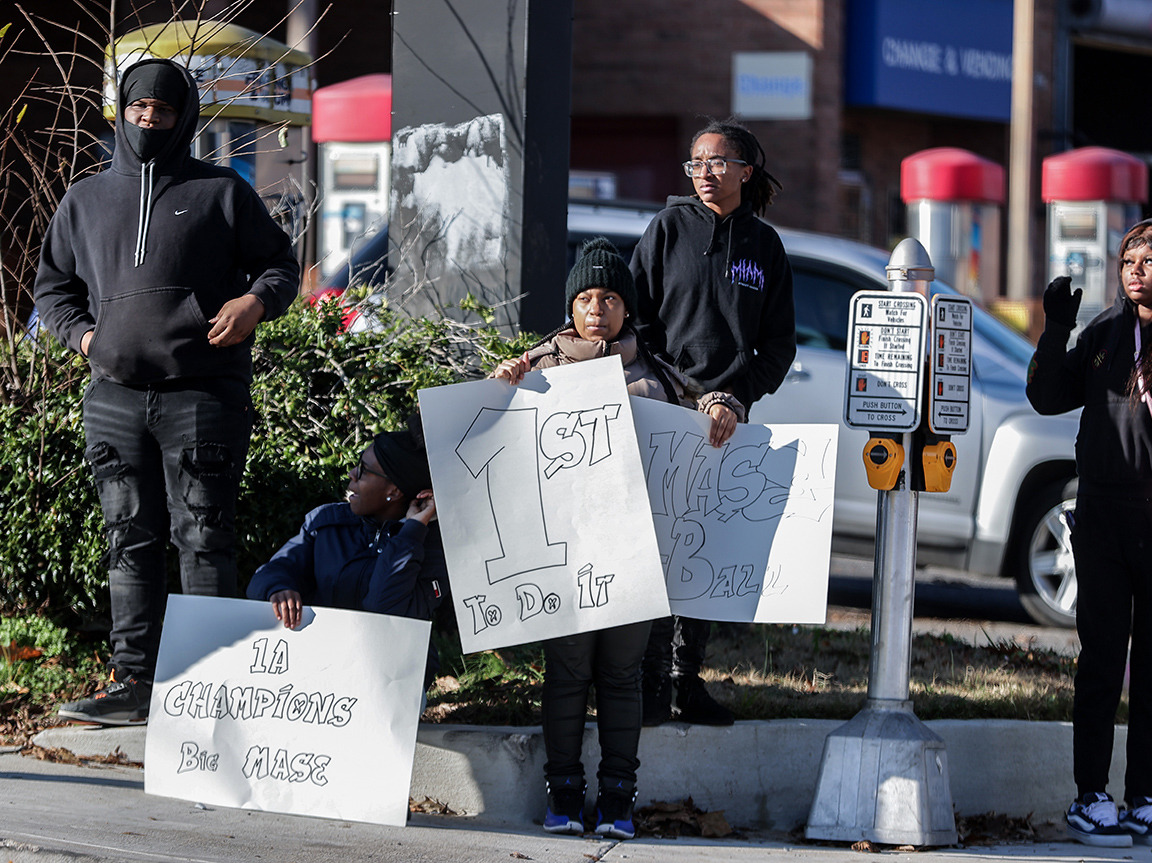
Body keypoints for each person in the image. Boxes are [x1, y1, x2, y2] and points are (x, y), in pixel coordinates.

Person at [34, 58, 300, 725]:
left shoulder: (222, 193)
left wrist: (253, 304)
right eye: (138, 109)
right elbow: (53, 288)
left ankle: (211, 688)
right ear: (122, 112)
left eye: (164, 111)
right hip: (115, 396)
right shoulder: (86, 200)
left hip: (203, 394)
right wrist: (86, 338)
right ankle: (134, 684)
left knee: (204, 535)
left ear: (185, 117)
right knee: (128, 536)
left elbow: (280, 266)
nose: (149, 121)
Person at [492, 237, 743, 839]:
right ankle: (564, 795)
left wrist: (722, 404)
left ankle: (617, 801)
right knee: (569, 672)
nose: (597, 308)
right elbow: (487, 438)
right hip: (563, 552)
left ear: (627, 307)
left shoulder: (656, 371)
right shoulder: (540, 367)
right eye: (585, 298)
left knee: (623, 677)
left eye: (609, 297)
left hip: (635, 551)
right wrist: (497, 387)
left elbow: (702, 409)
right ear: (572, 306)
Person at [1027, 217, 1152, 849]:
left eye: (1149, 259)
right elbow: (1048, 397)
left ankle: (1144, 800)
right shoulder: (1103, 330)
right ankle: (1090, 797)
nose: (1135, 268)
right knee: (1101, 658)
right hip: (1100, 516)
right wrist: (1055, 328)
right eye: (1129, 257)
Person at [629, 117, 795, 726]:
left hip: (726, 421)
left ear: (745, 172)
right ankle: (645, 682)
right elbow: (637, 323)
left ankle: (684, 680)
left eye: (717, 162)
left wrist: (734, 397)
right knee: (654, 549)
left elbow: (778, 346)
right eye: (696, 162)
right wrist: (668, 389)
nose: (704, 172)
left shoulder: (765, 247)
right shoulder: (667, 229)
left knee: (703, 550)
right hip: (663, 409)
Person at [246, 424, 445, 689]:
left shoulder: (433, 548)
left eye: (363, 470)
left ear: (394, 492)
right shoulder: (326, 524)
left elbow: (385, 612)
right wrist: (278, 588)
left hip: (391, 688)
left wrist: (410, 535)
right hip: (319, 678)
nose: (351, 474)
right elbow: (272, 572)